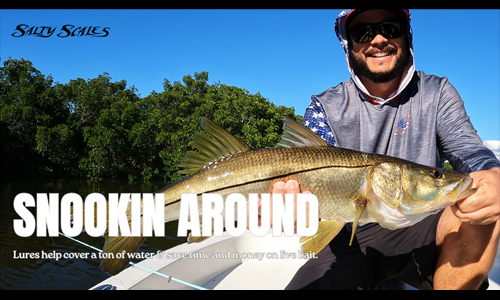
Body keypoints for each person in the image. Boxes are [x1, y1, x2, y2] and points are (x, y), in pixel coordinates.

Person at [275, 9, 500, 290]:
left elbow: (468, 150)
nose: (379, 39)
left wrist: (493, 175)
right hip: (347, 236)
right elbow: (311, 184)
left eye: (390, 27)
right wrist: (291, 209)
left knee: (482, 213)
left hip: (421, 227)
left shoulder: (438, 92)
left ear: (407, 35)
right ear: (348, 43)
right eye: (363, 32)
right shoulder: (324, 106)